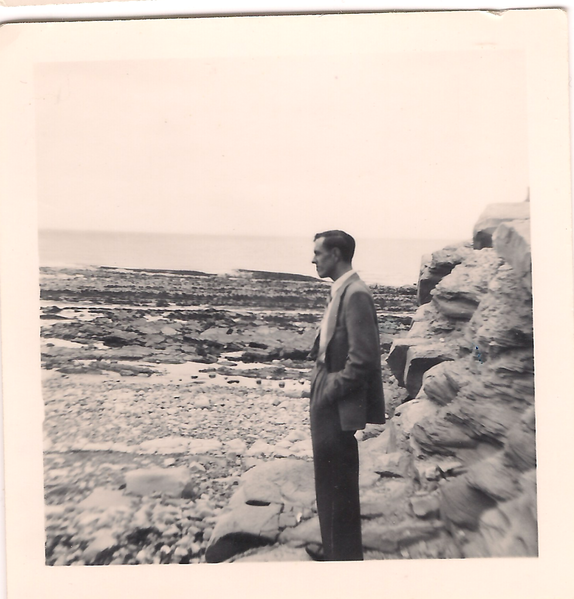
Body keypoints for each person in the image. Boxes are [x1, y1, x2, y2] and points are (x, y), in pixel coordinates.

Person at [307, 230, 385, 561]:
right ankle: (336, 549)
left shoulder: (356, 294)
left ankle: (342, 557)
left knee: (337, 480)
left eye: (318, 253)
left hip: (336, 402)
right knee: (329, 478)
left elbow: (364, 360)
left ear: (336, 254)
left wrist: (328, 390)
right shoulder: (341, 289)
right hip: (327, 394)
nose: (313, 259)